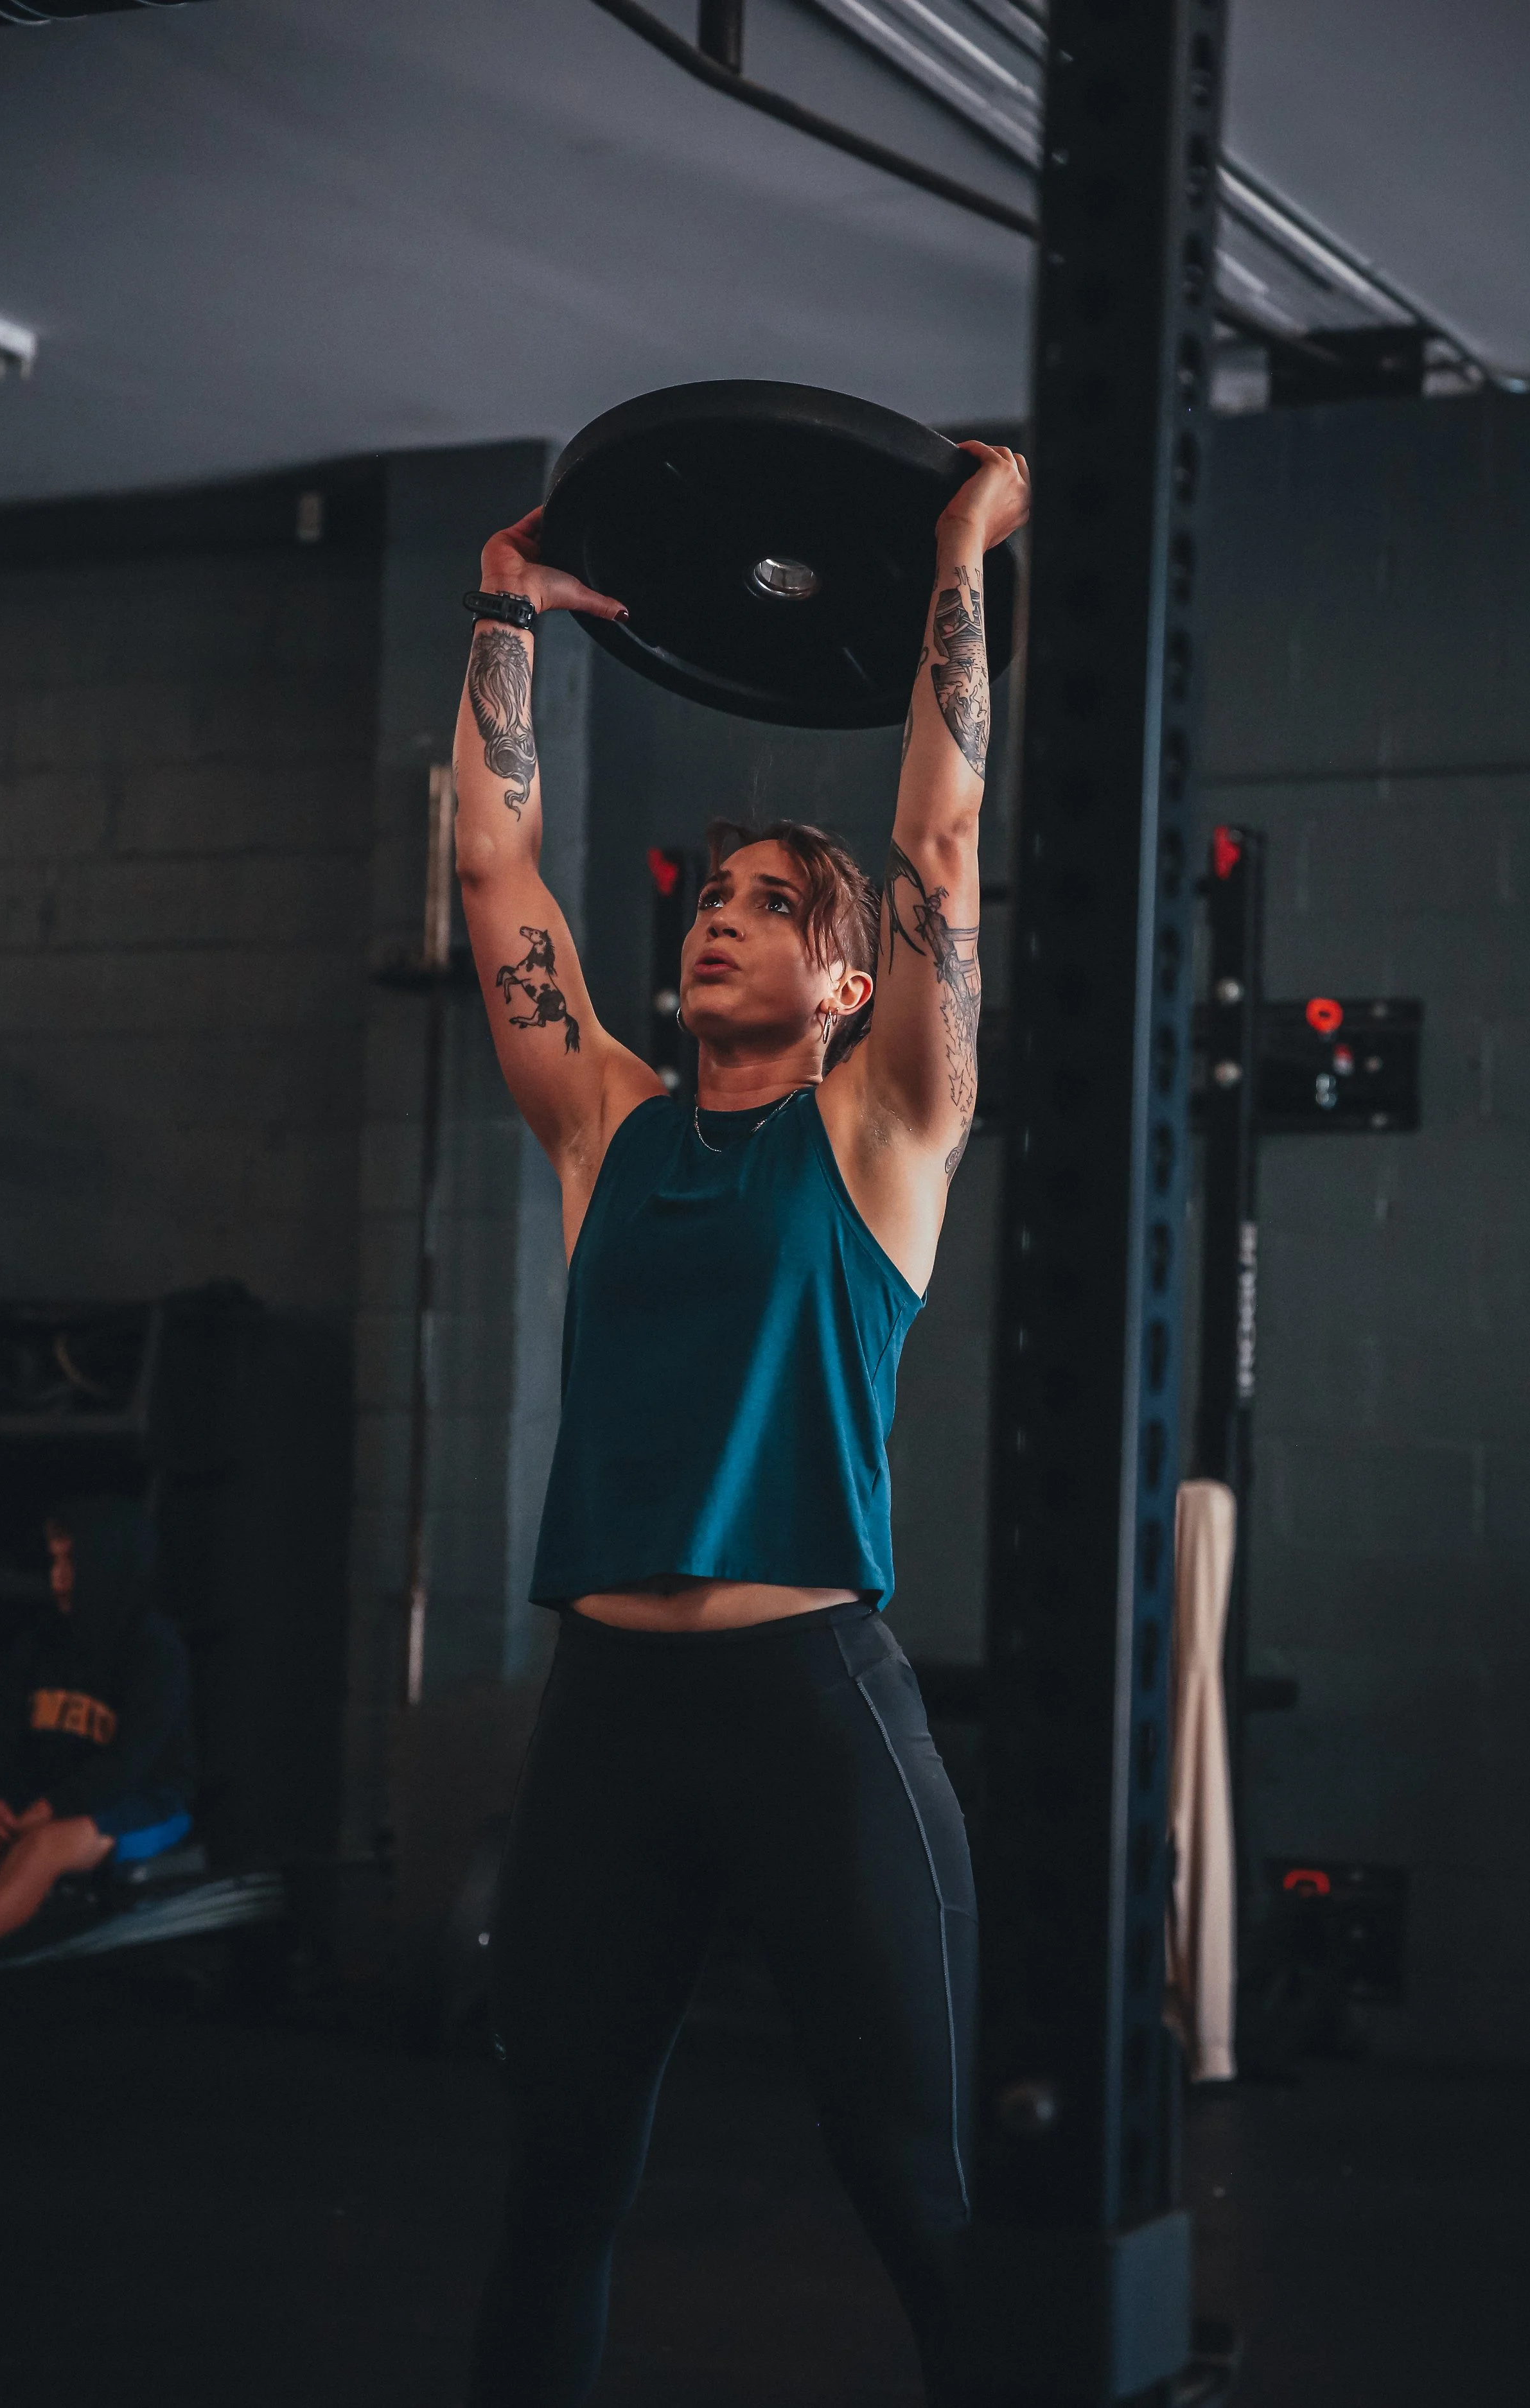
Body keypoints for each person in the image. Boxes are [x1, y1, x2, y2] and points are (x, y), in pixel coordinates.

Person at [457, 440, 1030, 2406]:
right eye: (708, 897)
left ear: (845, 974)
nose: (716, 919)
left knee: (913, 2183)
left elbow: (942, 848)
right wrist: (504, 615)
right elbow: (491, 868)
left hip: (809, 1707)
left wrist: (954, 551)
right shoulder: (601, 1122)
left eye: (769, 905)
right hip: (604, 1719)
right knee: (555, 2182)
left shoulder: (879, 1133)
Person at [0, 1496, 196, 1998]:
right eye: (54, 1562)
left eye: (71, 1562)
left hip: (145, 1802)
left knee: (43, 1845)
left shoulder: (156, 1652)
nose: (57, 1577)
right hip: (52, 1795)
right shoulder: (41, 1640)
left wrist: (47, 1810)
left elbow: (131, 1762)